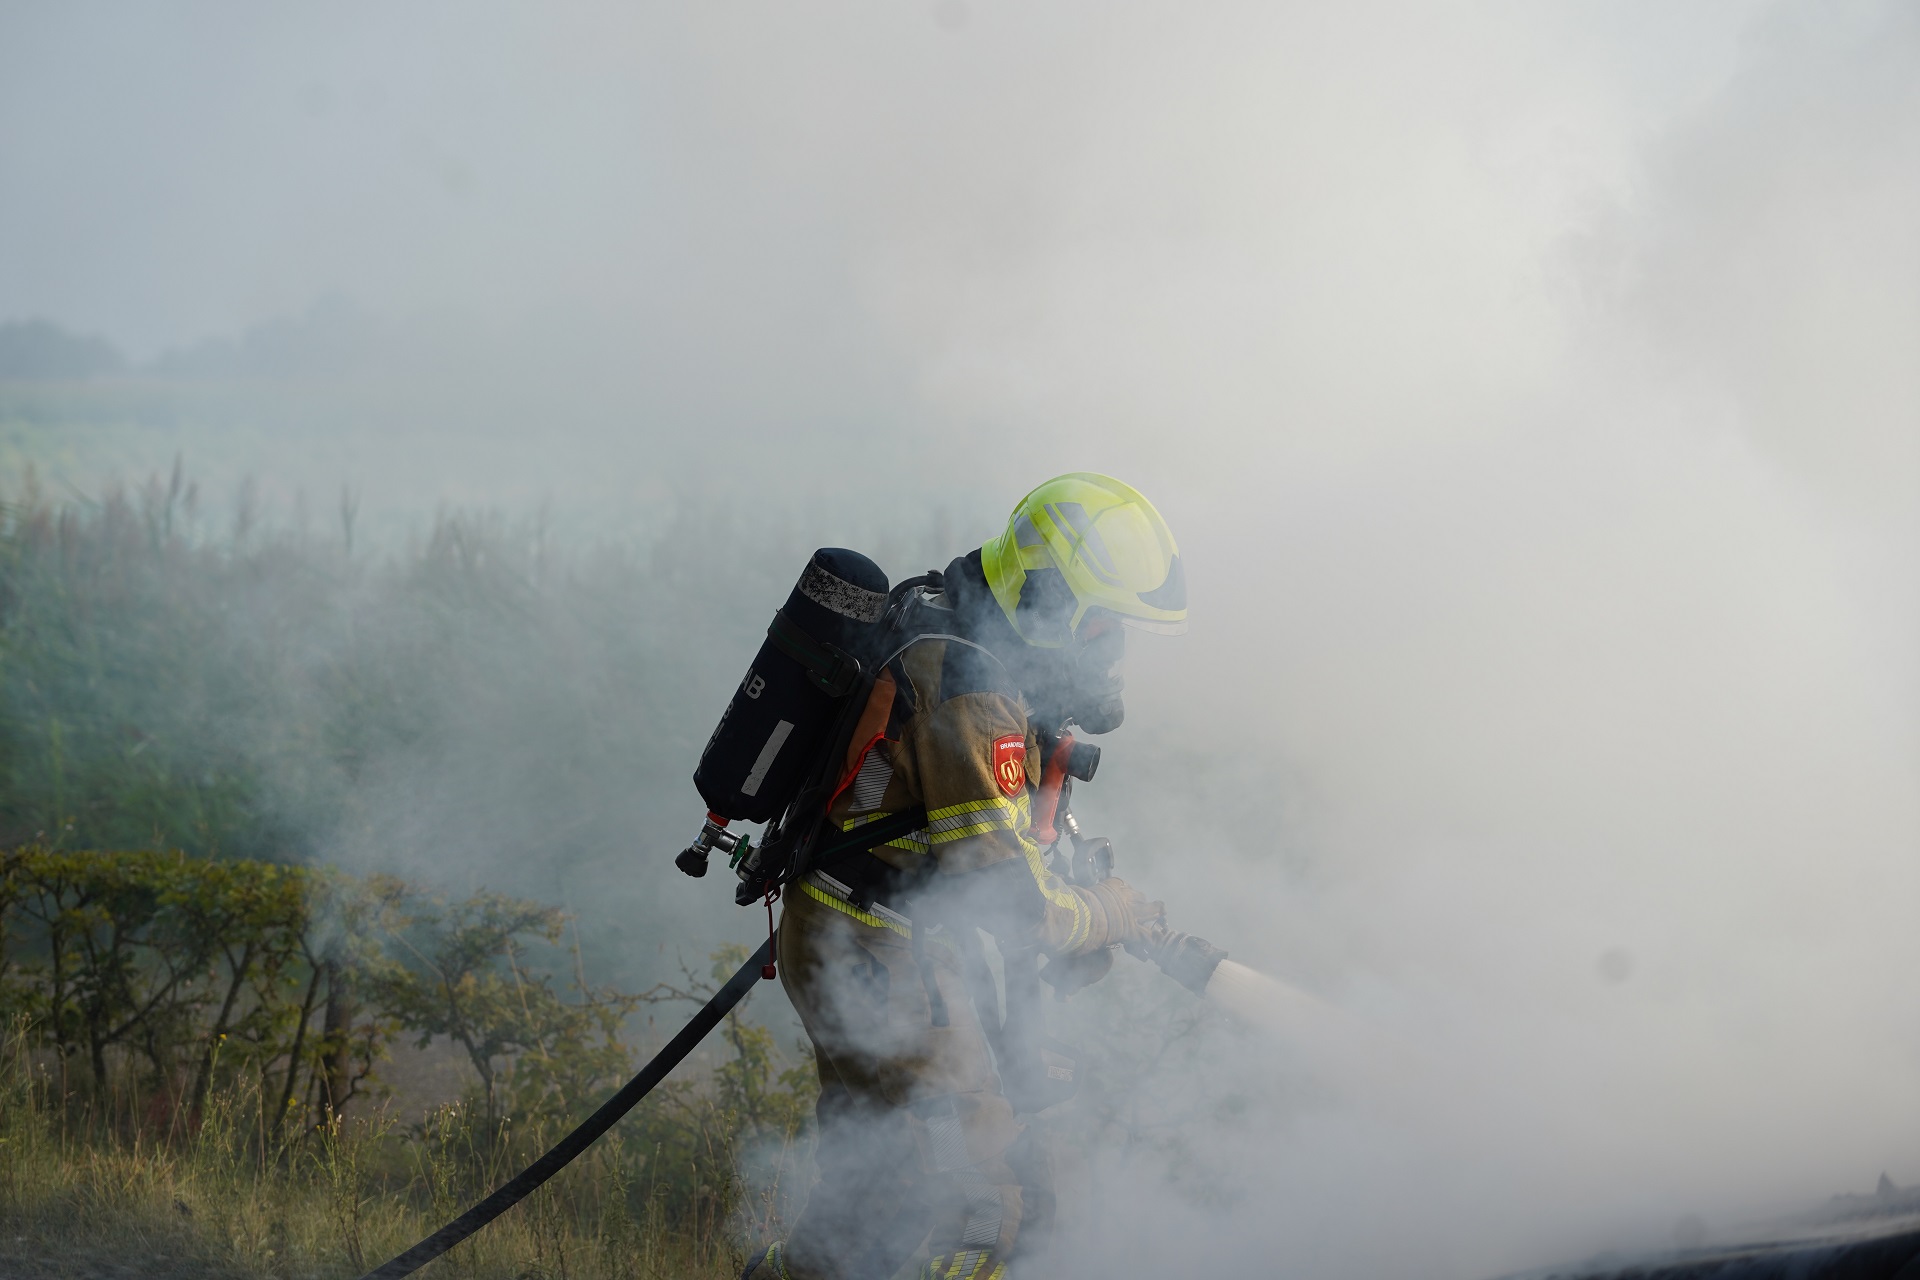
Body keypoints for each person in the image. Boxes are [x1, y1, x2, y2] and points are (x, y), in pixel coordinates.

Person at [744, 473, 1188, 1280]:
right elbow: (1021, 910)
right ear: (1048, 600)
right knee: (991, 1208)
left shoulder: (945, 618)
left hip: (849, 934)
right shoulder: (973, 702)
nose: (1111, 650)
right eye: (1099, 626)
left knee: (869, 1189)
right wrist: (1110, 911)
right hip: (876, 955)